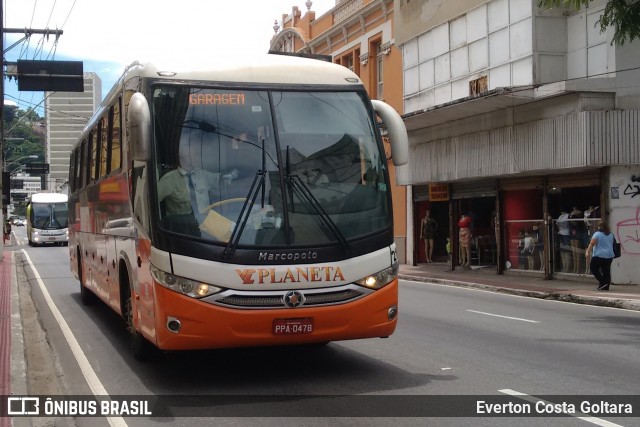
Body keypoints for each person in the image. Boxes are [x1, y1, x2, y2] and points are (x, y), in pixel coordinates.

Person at [157, 130, 221, 236]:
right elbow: (151, 202)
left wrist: (238, 172)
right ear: (182, 154)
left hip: (208, 231)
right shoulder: (169, 179)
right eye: (194, 152)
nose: (198, 154)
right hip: (183, 233)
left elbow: (224, 179)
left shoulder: (203, 175)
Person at [585, 220, 615, 291]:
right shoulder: (611, 234)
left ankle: (602, 282)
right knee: (606, 271)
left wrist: (587, 252)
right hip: (609, 255)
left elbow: (592, 243)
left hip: (599, 255)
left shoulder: (597, 234)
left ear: (600, 227)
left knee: (593, 268)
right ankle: (606, 286)